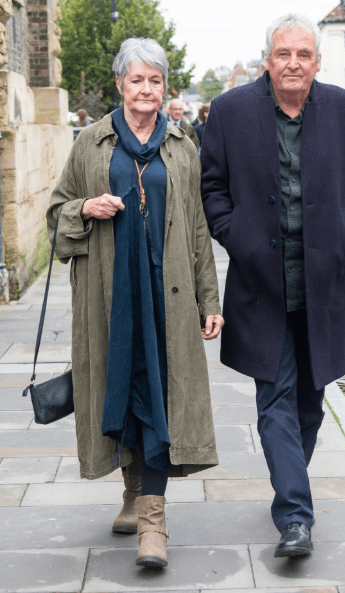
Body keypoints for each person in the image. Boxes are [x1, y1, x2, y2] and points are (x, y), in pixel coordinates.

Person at [201, 13, 345, 559]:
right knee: (274, 394)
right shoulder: (231, 112)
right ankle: (296, 517)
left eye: (304, 55)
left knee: (310, 400)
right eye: (284, 54)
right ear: (267, 59)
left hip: (322, 283)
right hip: (260, 283)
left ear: (317, 62)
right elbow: (212, 186)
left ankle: (287, 486)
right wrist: (237, 239)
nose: (294, 64)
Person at [47, 37, 224, 570]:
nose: (145, 90)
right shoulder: (91, 143)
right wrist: (87, 207)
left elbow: (196, 228)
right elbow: (56, 215)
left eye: (154, 81)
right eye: (136, 80)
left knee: (159, 393)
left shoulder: (181, 146)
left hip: (166, 296)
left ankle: (153, 522)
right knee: (118, 391)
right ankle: (131, 492)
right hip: (110, 294)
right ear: (120, 83)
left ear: (164, 87)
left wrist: (208, 298)